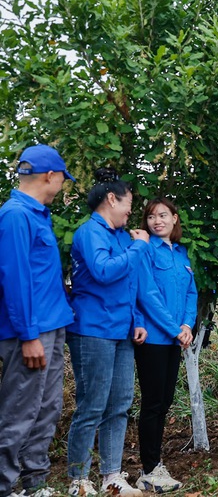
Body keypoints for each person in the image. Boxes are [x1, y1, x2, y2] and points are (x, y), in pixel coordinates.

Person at [67, 168, 147, 497]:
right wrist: (138, 248)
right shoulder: (91, 232)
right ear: (111, 199)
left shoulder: (119, 236)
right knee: (92, 405)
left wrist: (137, 318)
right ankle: (78, 479)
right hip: (93, 329)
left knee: (119, 404)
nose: (131, 210)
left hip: (121, 330)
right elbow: (102, 272)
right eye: (129, 203)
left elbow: (129, 283)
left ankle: (112, 476)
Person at [0, 145, 75, 497]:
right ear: (50, 175)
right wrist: (28, 335)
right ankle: (5, 486)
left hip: (51, 325)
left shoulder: (37, 214)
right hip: (30, 332)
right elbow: (14, 279)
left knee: (47, 407)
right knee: (19, 411)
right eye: (62, 178)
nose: (62, 185)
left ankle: (35, 483)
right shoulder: (15, 215)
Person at [134, 197, 196, 493]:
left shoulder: (181, 253)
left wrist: (186, 325)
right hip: (156, 339)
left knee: (165, 402)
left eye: (162, 215)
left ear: (174, 218)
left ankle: (155, 464)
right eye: (150, 217)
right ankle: (148, 469)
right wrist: (174, 329)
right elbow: (147, 295)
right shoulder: (146, 251)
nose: (156, 221)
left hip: (175, 338)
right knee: (153, 403)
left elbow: (191, 293)